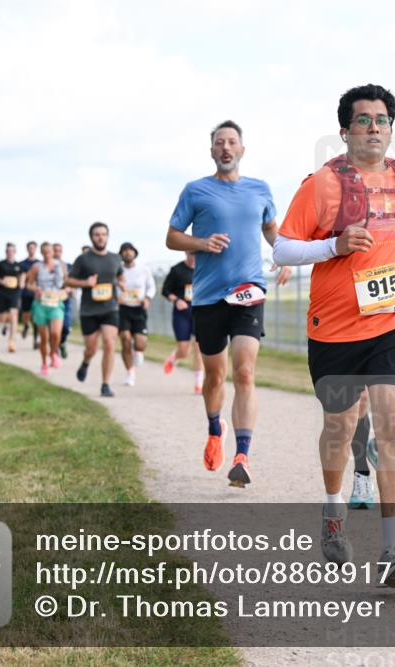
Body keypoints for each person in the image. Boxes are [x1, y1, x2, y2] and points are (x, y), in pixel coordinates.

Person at [273, 84, 395, 587]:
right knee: (339, 429)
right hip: (335, 328)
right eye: (364, 119)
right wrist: (333, 246)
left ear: (391, 129)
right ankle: (333, 513)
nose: (374, 127)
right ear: (345, 130)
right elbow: (284, 250)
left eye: (382, 120)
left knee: (393, 426)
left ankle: (391, 550)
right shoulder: (322, 184)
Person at [165, 119, 291, 488]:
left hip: (249, 290)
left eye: (231, 142)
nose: (225, 148)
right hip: (208, 297)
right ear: (211, 151)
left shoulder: (260, 189)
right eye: (219, 142)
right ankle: (214, 428)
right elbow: (172, 237)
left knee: (246, 371)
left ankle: (242, 455)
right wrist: (201, 243)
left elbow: (271, 228)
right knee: (216, 376)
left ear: (242, 150)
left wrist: (281, 255)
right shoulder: (196, 191)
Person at [66, 222, 125, 398]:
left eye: (103, 234)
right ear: (91, 237)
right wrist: (86, 283)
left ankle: (105, 384)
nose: (100, 237)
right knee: (91, 348)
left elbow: (120, 275)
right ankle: (86, 362)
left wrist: (121, 285)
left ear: (108, 236)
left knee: (109, 342)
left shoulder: (115, 258)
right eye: (97, 234)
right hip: (89, 310)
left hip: (110, 308)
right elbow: (68, 281)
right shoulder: (83, 259)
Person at [161, 250, 204, 393]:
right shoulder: (177, 270)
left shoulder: (204, 268)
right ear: (185, 253)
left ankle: (199, 384)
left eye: (196, 254)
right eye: (190, 253)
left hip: (200, 313)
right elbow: (165, 290)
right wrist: (177, 300)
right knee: (184, 351)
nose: (193, 257)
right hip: (182, 314)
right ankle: (174, 357)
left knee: (199, 349)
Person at [117, 242, 156, 387]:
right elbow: (113, 287)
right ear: (121, 254)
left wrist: (147, 298)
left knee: (140, 343)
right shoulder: (117, 270)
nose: (127, 253)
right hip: (123, 309)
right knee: (125, 339)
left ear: (134, 252)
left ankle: (138, 351)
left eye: (130, 250)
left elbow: (151, 286)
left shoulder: (143, 269)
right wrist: (117, 297)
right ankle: (130, 373)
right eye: (124, 251)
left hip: (139, 308)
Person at [26, 242, 66, 375]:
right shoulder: (36, 267)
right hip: (41, 304)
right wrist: (35, 289)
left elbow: (67, 284)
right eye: (45, 252)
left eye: (50, 252)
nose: (47, 254)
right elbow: (29, 284)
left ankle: (53, 353)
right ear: (41, 253)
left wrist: (63, 293)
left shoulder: (60, 266)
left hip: (55, 303)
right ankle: (44, 363)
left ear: (53, 252)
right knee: (44, 338)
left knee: (56, 334)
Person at [0, 243, 25, 353]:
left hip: (14, 293)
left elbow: (23, 276)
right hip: (2, 293)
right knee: (2, 318)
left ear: (15, 252)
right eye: (8, 251)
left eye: (12, 251)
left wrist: (22, 282)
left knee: (13, 314)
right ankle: (5, 325)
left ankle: (12, 342)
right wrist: (0, 281)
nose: (10, 253)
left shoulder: (18, 266)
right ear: (6, 252)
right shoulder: (0, 264)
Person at [53, 243, 74, 359]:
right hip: (51, 300)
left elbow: (72, 282)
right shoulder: (46, 266)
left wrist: (69, 289)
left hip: (65, 299)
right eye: (55, 251)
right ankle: (54, 351)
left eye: (59, 251)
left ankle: (62, 342)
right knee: (54, 329)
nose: (57, 253)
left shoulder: (68, 266)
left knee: (66, 327)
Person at [19, 241, 39, 348]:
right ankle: (26, 326)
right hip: (26, 293)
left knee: (36, 317)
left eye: (33, 248)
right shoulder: (22, 264)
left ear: (35, 249)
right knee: (26, 315)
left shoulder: (39, 264)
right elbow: (20, 279)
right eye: (29, 248)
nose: (31, 249)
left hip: (36, 293)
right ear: (27, 249)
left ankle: (35, 340)